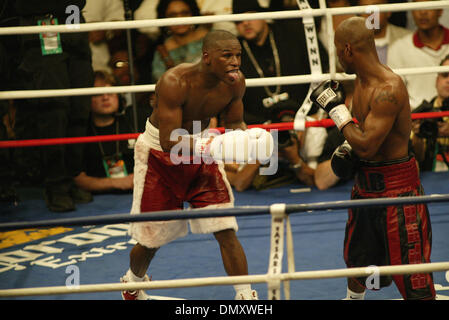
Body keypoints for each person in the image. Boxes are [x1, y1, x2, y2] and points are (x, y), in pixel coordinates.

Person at [120, 30, 274, 300]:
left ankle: (245, 295)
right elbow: (169, 141)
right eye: (227, 55)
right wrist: (213, 146)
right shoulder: (174, 81)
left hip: (201, 151)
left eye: (237, 55)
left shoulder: (235, 83)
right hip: (160, 156)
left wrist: (247, 141)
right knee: (151, 239)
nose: (235, 62)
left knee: (225, 227)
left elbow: (235, 124)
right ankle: (132, 282)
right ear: (206, 57)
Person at [310, 16, 435, 300]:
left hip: (398, 194)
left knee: (412, 276)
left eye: (337, 48)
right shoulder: (360, 82)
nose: (336, 55)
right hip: (366, 187)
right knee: (359, 259)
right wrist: (347, 148)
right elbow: (364, 141)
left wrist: (336, 110)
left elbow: (366, 146)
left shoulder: (387, 88)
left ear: (348, 51)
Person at [13, 0, 94, 212]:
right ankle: (56, 184)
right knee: (54, 109)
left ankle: (71, 176)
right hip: (42, 20)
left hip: (73, 15)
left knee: (80, 104)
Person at [74, 71, 149, 193]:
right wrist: (116, 183)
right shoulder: (80, 131)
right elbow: (78, 179)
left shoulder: (135, 120)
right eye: (98, 93)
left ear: (119, 96)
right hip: (98, 202)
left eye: (110, 92)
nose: (105, 97)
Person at [388, 0, 449, 109]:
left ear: (440, 10)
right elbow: (395, 93)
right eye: (418, 6)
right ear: (411, 11)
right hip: (415, 116)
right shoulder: (398, 48)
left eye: (428, 6)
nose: (422, 12)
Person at [151, 0, 210, 82]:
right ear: (164, 18)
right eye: (172, 15)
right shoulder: (162, 50)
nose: (180, 19)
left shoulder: (210, 39)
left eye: (185, 13)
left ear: (193, 14)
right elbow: (160, 82)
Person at [411, 54, 449, 172]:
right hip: (430, 176)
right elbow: (418, 157)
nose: (448, 80)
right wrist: (418, 135)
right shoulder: (422, 113)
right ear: (437, 80)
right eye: (445, 75)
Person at [357, 0, 411, 65]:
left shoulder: (408, 38)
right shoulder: (350, 42)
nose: (369, 14)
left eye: (375, 8)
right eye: (364, 8)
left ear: (388, 11)